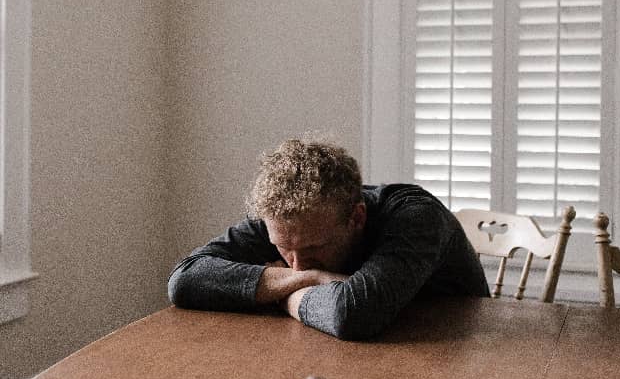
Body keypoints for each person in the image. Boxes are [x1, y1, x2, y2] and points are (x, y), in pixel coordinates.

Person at [168, 137, 490, 340]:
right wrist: (314, 278)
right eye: (284, 249)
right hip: (357, 356)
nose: (297, 265)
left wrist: (284, 295)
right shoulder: (287, 221)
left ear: (357, 217)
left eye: (313, 250)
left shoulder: (416, 216)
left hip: (466, 356)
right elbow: (184, 280)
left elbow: (352, 314)